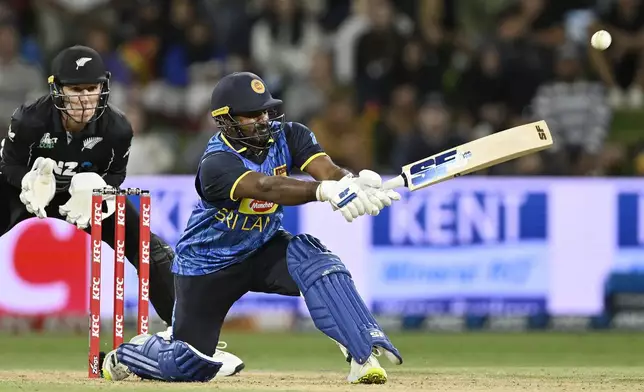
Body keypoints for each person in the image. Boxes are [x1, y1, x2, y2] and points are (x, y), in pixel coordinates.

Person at [101, 72, 404, 384]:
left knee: (318, 262)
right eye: (251, 115)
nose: (263, 120)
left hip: (262, 249)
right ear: (227, 121)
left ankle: (362, 354)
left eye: (265, 111)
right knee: (189, 365)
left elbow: (326, 170)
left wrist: (350, 182)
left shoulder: (290, 135)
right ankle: (134, 352)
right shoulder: (216, 164)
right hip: (206, 267)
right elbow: (265, 187)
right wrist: (323, 191)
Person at [0, 45, 243, 376]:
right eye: (75, 89)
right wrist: (27, 180)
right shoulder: (29, 119)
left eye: (91, 88)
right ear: (57, 88)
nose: (85, 98)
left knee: (151, 251)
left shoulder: (117, 129)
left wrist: (100, 189)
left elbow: (115, 176)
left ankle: (195, 345)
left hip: (86, 197)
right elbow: (8, 164)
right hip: (25, 192)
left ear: (103, 87)